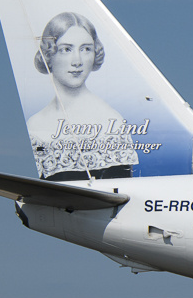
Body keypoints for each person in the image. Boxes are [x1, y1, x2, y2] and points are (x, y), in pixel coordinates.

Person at [26, 12, 138, 181]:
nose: (77, 61)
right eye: (66, 49)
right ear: (49, 54)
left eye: (86, 49)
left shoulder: (110, 123)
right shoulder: (35, 124)